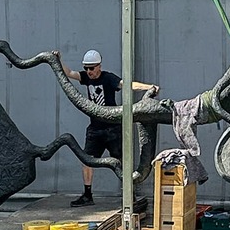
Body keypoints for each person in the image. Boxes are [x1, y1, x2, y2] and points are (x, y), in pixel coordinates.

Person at [53, 49, 158, 207]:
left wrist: (149, 87)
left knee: (122, 161)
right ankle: (88, 195)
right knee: (86, 160)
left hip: (113, 128)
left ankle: (129, 195)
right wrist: (57, 59)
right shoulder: (85, 77)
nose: (89, 72)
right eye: (86, 68)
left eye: (92, 68)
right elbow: (68, 73)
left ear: (99, 67)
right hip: (95, 129)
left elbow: (127, 84)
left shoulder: (108, 78)